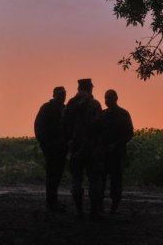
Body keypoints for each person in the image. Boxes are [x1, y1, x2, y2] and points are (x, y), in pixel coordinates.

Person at [61, 78, 104, 220]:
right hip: (92, 149)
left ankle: (79, 210)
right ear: (89, 88)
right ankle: (93, 211)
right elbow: (100, 126)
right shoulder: (95, 105)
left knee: (76, 181)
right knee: (94, 181)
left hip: (75, 148)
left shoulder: (71, 104)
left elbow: (63, 124)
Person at [34, 86, 68, 212]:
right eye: (60, 94)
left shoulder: (65, 109)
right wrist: (46, 145)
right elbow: (39, 128)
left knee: (57, 175)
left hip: (61, 148)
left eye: (64, 94)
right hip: (51, 147)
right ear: (54, 95)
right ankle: (51, 202)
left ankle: (54, 201)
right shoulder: (47, 108)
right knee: (52, 175)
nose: (62, 96)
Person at [101, 89, 134, 214]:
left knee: (116, 181)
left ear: (116, 98)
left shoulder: (124, 114)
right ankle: (101, 206)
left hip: (117, 154)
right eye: (106, 98)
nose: (107, 100)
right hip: (104, 154)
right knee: (101, 180)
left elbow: (129, 133)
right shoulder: (102, 114)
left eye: (109, 98)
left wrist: (116, 145)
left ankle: (114, 207)